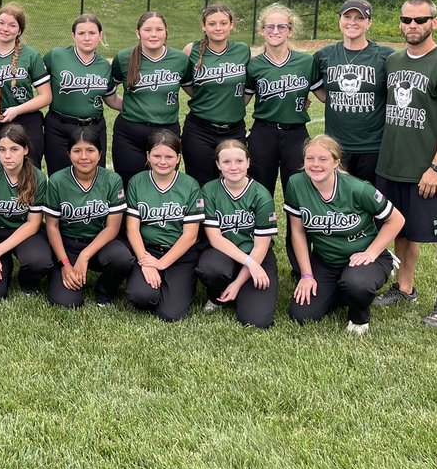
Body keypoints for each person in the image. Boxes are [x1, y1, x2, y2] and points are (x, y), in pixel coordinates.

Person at [373, 0, 437, 328]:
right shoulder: (394, 61)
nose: (412, 26)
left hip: (430, 171)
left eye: (420, 20)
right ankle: (404, 287)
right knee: (400, 229)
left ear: (434, 22)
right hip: (392, 165)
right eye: (406, 20)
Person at [287, 134, 405, 334]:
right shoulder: (296, 184)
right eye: (310, 158)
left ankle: (360, 316)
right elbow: (297, 232)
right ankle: (345, 289)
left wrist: (371, 253)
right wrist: (306, 275)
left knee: (357, 283)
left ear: (336, 162)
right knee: (303, 314)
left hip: (362, 258)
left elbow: (397, 219)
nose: (315, 164)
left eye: (323, 159)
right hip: (326, 261)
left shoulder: (358, 188)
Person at [43, 126, 134, 308]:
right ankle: (66, 275)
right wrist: (66, 264)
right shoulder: (57, 180)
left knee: (122, 258)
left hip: (100, 243)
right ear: (69, 154)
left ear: (100, 154)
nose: (84, 157)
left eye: (90, 150)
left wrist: (85, 255)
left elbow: (112, 228)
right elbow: (52, 227)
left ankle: (105, 290)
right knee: (66, 302)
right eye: (77, 151)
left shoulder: (112, 180)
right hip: (68, 244)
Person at [197, 139, 279, 329]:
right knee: (211, 268)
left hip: (256, 255)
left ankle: (235, 288)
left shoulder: (261, 195)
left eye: (239, 161)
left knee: (257, 320)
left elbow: (261, 246)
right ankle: (216, 295)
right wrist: (249, 264)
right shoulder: (209, 190)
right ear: (218, 165)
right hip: (223, 253)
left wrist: (239, 282)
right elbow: (215, 238)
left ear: (248, 162)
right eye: (226, 162)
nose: (233, 167)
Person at [124, 130, 204, 322]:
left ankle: (178, 285)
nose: (162, 161)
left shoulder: (190, 185)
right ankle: (150, 284)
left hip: (180, 255)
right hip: (148, 251)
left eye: (169, 156)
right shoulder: (137, 182)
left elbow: (190, 236)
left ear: (178, 158)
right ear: (148, 156)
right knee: (141, 297)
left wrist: (161, 264)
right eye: (157, 155)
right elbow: (132, 228)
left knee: (171, 314)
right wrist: (146, 261)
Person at [0, 124, 55, 300]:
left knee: (39, 262)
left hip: (23, 232)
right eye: (2, 149)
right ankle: (4, 267)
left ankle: (27, 281)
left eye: (14, 149)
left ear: (25, 150)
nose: (7, 156)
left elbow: (33, 223)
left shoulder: (37, 177)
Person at [312, 0, 393, 183]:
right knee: (338, 201)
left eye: (359, 18)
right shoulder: (324, 55)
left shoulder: (384, 56)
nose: (352, 22)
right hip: (335, 146)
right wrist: (326, 98)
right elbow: (314, 84)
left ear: (369, 23)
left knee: (370, 201)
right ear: (340, 20)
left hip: (372, 147)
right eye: (347, 16)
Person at [107, 11, 191, 186]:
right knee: (129, 185)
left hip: (167, 132)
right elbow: (108, 94)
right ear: (138, 33)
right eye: (148, 29)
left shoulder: (180, 59)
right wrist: (133, 106)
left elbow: (192, 90)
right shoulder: (124, 58)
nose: (154, 34)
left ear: (166, 32)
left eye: (159, 29)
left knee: (164, 185)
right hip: (129, 133)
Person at [244, 3, 319, 196]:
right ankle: (261, 228)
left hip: (296, 134)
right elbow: (241, 100)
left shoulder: (306, 62)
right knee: (259, 191)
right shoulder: (253, 65)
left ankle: (296, 228)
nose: (275, 31)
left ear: (290, 31)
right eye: (270, 26)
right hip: (263, 133)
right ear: (262, 30)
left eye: (281, 27)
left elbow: (325, 96)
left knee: (299, 192)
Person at [181, 3, 251, 184]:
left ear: (231, 25)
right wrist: (206, 99)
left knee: (233, 182)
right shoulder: (191, 50)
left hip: (234, 129)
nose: (218, 28)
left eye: (223, 23)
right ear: (204, 26)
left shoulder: (242, 50)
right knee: (199, 184)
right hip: (199, 129)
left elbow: (251, 84)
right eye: (212, 24)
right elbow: (186, 83)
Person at [0, 3, 51, 168]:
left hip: (26, 121)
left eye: (12, 25)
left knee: (28, 173)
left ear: (19, 30)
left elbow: (46, 96)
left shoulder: (31, 55)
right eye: (1, 23)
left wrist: (17, 110)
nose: (5, 28)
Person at [42, 14, 114, 176]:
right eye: (81, 33)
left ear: (100, 36)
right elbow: (35, 80)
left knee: (94, 177)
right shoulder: (56, 56)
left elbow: (111, 98)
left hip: (94, 127)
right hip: (59, 127)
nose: (87, 38)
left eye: (92, 33)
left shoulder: (104, 65)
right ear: (73, 36)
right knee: (59, 177)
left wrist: (137, 105)